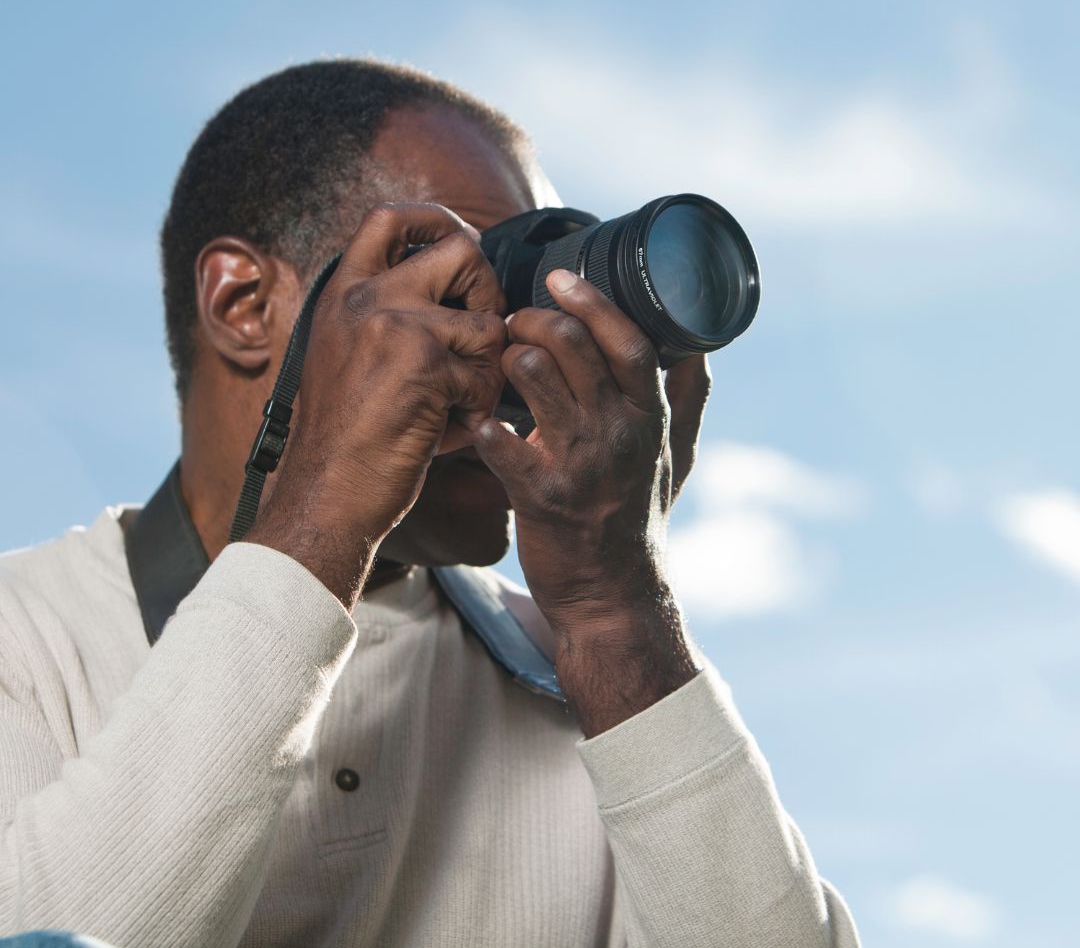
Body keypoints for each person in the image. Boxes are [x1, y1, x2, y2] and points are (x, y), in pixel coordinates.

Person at [0, 61, 860, 947]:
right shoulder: (27, 637)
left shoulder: (592, 680)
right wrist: (323, 514)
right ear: (244, 304)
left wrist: (617, 617)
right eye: (455, 287)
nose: (513, 355)